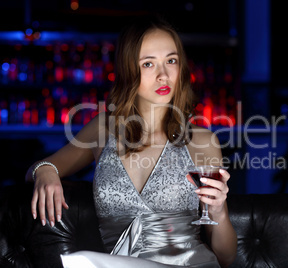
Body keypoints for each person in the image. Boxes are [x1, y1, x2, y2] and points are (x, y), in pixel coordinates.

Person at [26, 15, 237, 268]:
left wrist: (219, 212)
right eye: (148, 64)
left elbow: (226, 257)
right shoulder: (103, 129)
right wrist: (46, 171)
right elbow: (39, 168)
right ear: (128, 70)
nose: (163, 75)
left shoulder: (201, 141)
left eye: (171, 61)